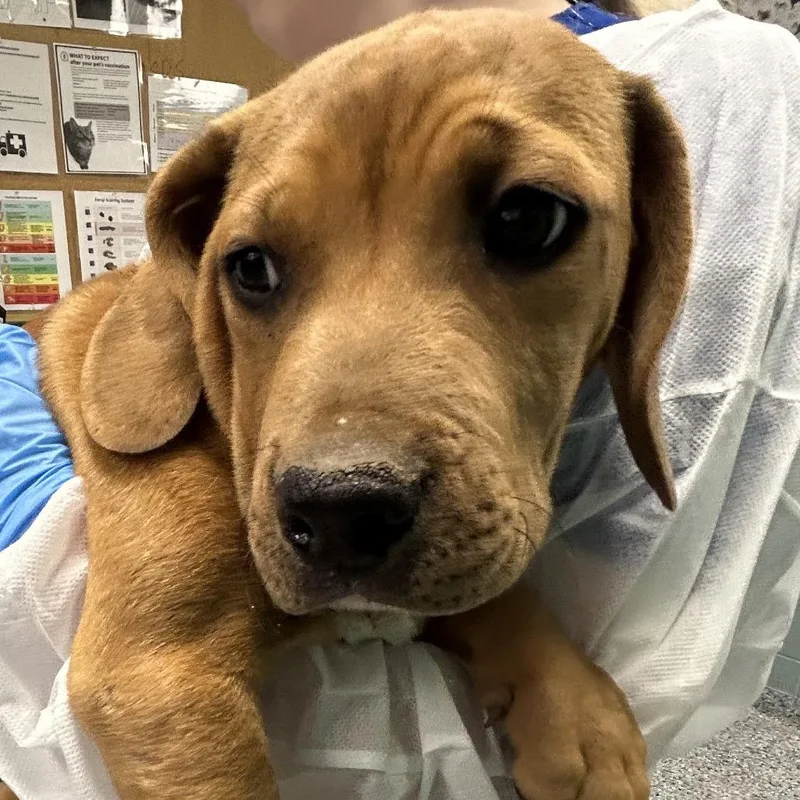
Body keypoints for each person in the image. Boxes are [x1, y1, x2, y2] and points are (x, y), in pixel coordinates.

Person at [2, 1, 800, 798]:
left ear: (650, 246)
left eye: (527, 224)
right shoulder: (176, 414)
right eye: (257, 271)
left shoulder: (723, 87)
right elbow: (145, 687)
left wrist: (513, 629)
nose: (342, 454)